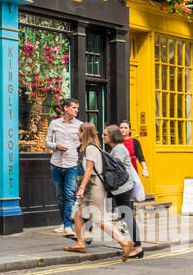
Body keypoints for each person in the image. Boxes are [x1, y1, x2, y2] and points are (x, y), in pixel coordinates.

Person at [64, 122, 134, 260]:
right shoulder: (89, 148)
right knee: (78, 216)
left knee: (99, 220)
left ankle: (124, 243)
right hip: (92, 187)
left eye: (79, 131)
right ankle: (80, 243)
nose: (78, 134)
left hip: (94, 187)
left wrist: (81, 188)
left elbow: (89, 169)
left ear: (84, 132)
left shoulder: (91, 149)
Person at [45, 98, 83, 239]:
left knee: (70, 195)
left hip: (71, 164)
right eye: (74, 107)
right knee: (60, 196)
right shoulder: (54, 123)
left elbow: (82, 143)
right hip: (56, 163)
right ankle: (65, 222)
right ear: (66, 108)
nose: (76, 110)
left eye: (77, 108)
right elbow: (47, 142)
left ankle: (68, 225)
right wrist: (56, 146)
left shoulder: (80, 125)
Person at [105, 125, 143, 260]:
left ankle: (138, 248)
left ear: (112, 136)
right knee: (124, 216)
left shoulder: (119, 149)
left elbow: (116, 169)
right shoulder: (115, 148)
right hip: (119, 188)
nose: (103, 136)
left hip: (122, 188)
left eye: (105, 134)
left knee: (127, 217)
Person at [118, 120, 149, 203]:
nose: (123, 129)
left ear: (129, 130)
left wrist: (145, 168)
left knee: (130, 193)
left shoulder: (134, 142)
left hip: (132, 170)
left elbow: (140, 156)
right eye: (121, 128)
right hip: (120, 171)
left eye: (125, 128)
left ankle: (129, 212)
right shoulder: (116, 142)